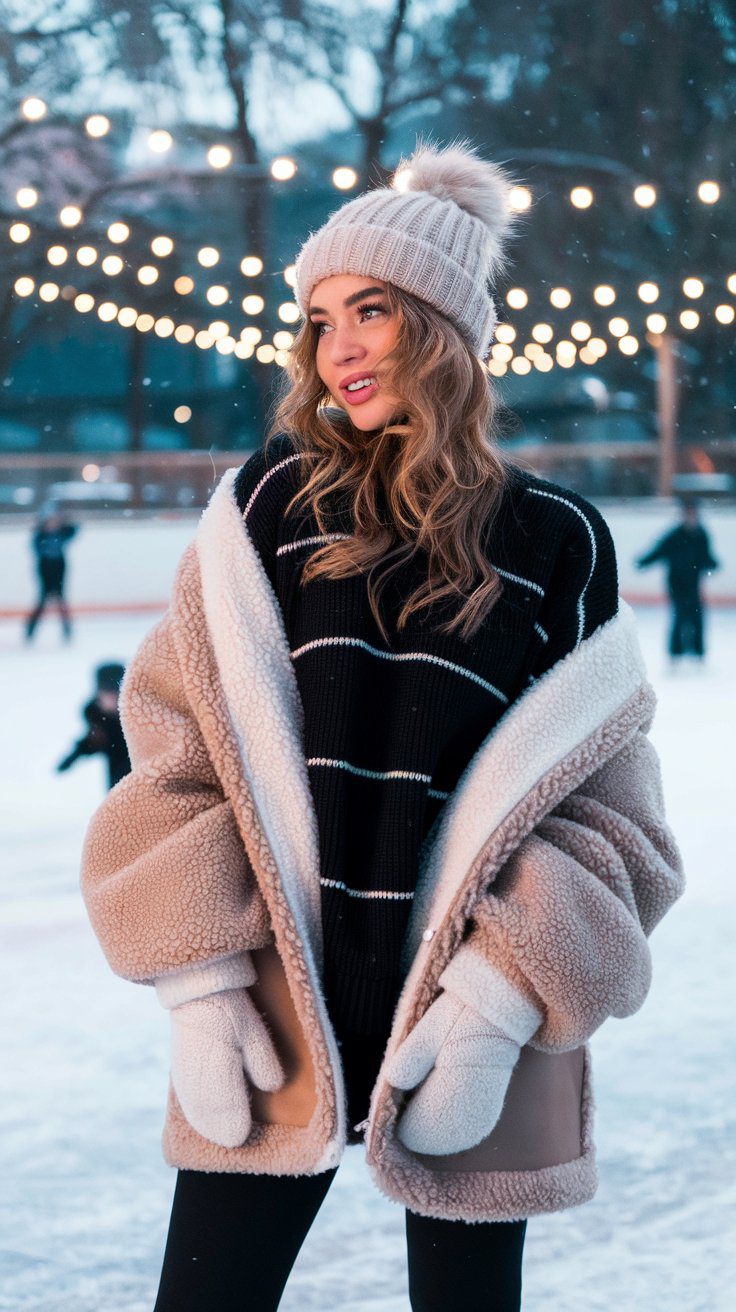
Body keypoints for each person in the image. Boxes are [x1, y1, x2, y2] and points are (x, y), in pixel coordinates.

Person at [79, 138, 685, 1312]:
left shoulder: (558, 540)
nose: (337, 346)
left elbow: (609, 812)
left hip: (470, 1012)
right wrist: (202, 982)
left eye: (370, 309)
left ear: (444, 323)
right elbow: (177, 739)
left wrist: (500, 998)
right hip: (278, 995)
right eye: (317, 320)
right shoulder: (270, 502)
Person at [635, 498, 720, 665]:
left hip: (694, 584)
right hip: (676, 583)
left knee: (696, 616)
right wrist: (644, 562)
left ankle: (697, 652)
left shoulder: (701, 534)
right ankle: (676, 653)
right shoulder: (675, 534)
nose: (690, 516)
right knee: (679, 615)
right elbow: (659, 551)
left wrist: (712, 564)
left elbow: (706, 557)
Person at [56, 663, 131, 791]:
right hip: (118, 784)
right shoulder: (98, 719)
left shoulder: (137, 718)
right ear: (99, 695)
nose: (113, 699)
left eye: (117, 693)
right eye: (108, 694)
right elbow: (94, 741)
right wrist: (74, 755)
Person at [25, 503, 78, 642]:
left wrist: (65, 520)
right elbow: (37, 550)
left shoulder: (62, 533)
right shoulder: (40, 535)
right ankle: (30, 631)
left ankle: (67, 632)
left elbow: (74, 529)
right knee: (42, 601)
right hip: (45, 569)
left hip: (59, 568)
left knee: (61, 600)